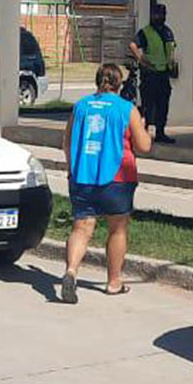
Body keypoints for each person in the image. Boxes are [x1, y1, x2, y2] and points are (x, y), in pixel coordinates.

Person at [60, 63, 152, 303]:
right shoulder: (126, 108)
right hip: (117, 177)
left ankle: (71, 271)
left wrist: (71, 168)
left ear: (97, 81)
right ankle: (114, 282)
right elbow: (144, 146)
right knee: (117, 229)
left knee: (81, 228)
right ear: (119, 84)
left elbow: (67, 142)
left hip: (82, 175)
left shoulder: (81, 106)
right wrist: (144, 127)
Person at [129, 3, 177, 144]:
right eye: (157, 14)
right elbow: (132, 45)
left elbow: (171, 50)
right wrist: (141, 60)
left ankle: (160, 133)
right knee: (148, 106)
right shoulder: (146, 32)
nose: (159, 16)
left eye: (162, 14)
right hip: (150, 74)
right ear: (152, 15)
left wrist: (172, 65)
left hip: (164, 74)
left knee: (163, 105)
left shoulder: (168, 32)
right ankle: (144, 134)